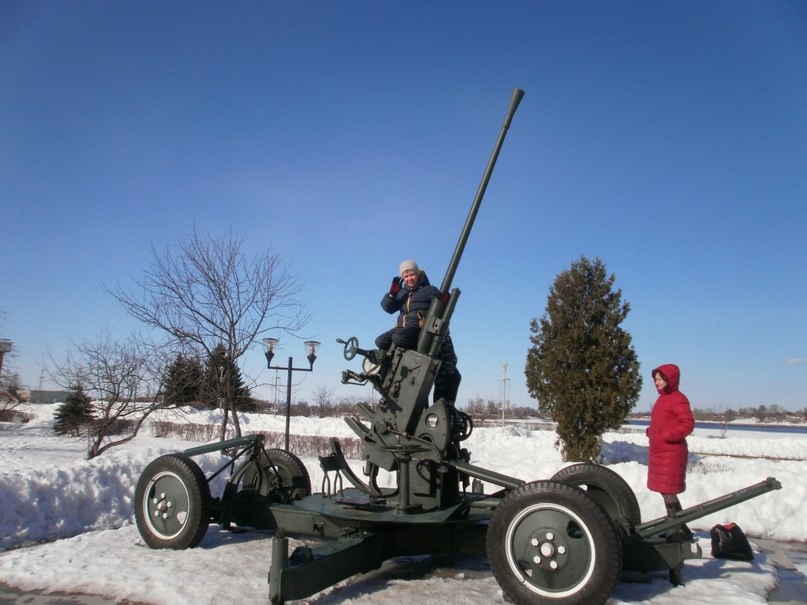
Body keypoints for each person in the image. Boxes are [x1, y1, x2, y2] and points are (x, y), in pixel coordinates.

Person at [646, 363, 695, 542]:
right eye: (656, 379)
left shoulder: (678, 398)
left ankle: (678, 529)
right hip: (660, 452)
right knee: (664, 491)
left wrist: (666, 435)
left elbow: (687, 423)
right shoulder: (662, 399)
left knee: (668, 492)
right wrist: (652, 431)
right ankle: (679, 528)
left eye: (660, 379)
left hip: (671, 453)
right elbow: (663, 422)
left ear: (669, 380)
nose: (656, 383)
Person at [375, 260, 440, 351]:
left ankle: (416, 350)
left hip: (417, 327)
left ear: (418, 274)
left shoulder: (429, 290)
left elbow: (441, 307)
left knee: (398, 338)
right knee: (380, 341)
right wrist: (392, 295)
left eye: (412, 275)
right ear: (403, 277)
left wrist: (443, 298)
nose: (409, 278)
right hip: (400, 327)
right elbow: (388, 309)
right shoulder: (401, 292)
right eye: (406, 276)